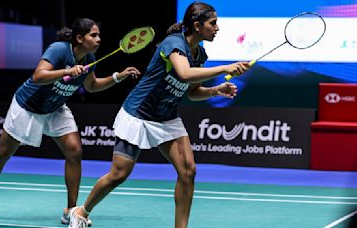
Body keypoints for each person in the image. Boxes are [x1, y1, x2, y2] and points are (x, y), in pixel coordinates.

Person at [68, 2, 250, 228]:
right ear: (197, 25)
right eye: (213, 23)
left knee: (188, 171)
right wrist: (225, 68)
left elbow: (192, 92)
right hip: (139, 114)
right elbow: (184, 73)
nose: (217, 28)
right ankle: (82, 211)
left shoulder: (200, 53)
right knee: (119, 174)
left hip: (167, 117)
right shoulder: (173, 43)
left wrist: (216, 90)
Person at [0, 18, 140, 226]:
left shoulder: (89, 57)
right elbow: (38, 76)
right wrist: (67, 71)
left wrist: (118, 77)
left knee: (74, 151)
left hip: (55, 107)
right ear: (79, 38)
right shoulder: (59, 50)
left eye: (99, 35)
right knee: (3, 153)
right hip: (28, 105)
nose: (98, 39)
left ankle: (70, 210)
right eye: (94, 35)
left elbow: (92, 86)